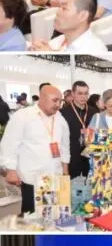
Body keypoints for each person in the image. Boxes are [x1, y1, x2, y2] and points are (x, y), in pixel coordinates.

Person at [0, 85, 69, 215]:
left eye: (60, 101)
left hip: (55, 176)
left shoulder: (60, 118)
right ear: (42, 98)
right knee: (32, 217)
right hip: (32, 177)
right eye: (55, 100)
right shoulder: (23, 116)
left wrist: (65, 169)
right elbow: (9, 144)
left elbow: (65, 145)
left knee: (52, 214)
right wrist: (11, 171)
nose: (58, 105)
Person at [61, 81, 96, 180]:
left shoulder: (94, 112)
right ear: (72, 94)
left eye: (86, 93)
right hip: (71, 155)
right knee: (71, 184)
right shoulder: (63, 113)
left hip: (89, 154)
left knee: (89, 183)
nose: (83, 97)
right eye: (80, 93)